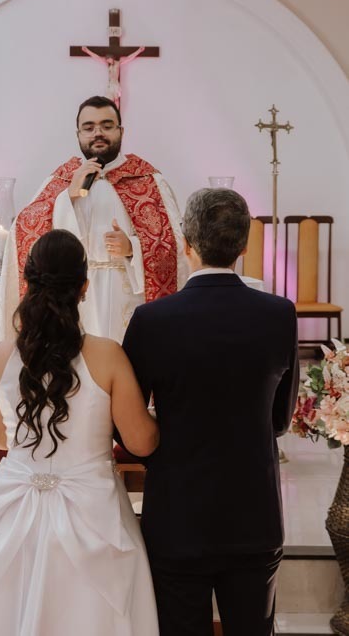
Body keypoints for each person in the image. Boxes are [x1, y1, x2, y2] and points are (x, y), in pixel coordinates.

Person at [0, 229, 160, 636]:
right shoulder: (107, 354)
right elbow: (141, 442)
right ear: (84, 287)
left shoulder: (1, 354)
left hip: (15, 503)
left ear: (28, 282)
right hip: (93, 509)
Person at [123, 188, 299, 636]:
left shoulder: (152, 320)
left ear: (186, 243)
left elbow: (127, 428)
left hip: (177, 515)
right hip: (254, 515)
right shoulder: (279, 314)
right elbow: (280, 420)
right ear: (244, 245)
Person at [0, 95, 187, 344]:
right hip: (74, 298)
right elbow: (25, 231)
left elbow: (175, 248)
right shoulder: (63, 180)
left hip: (128, 296)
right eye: (89, 127)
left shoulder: (149, 181)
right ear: (78, 134)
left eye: (107, 126)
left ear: (121, 131)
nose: (98, 133)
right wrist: (68, 197)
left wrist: (132, 248)